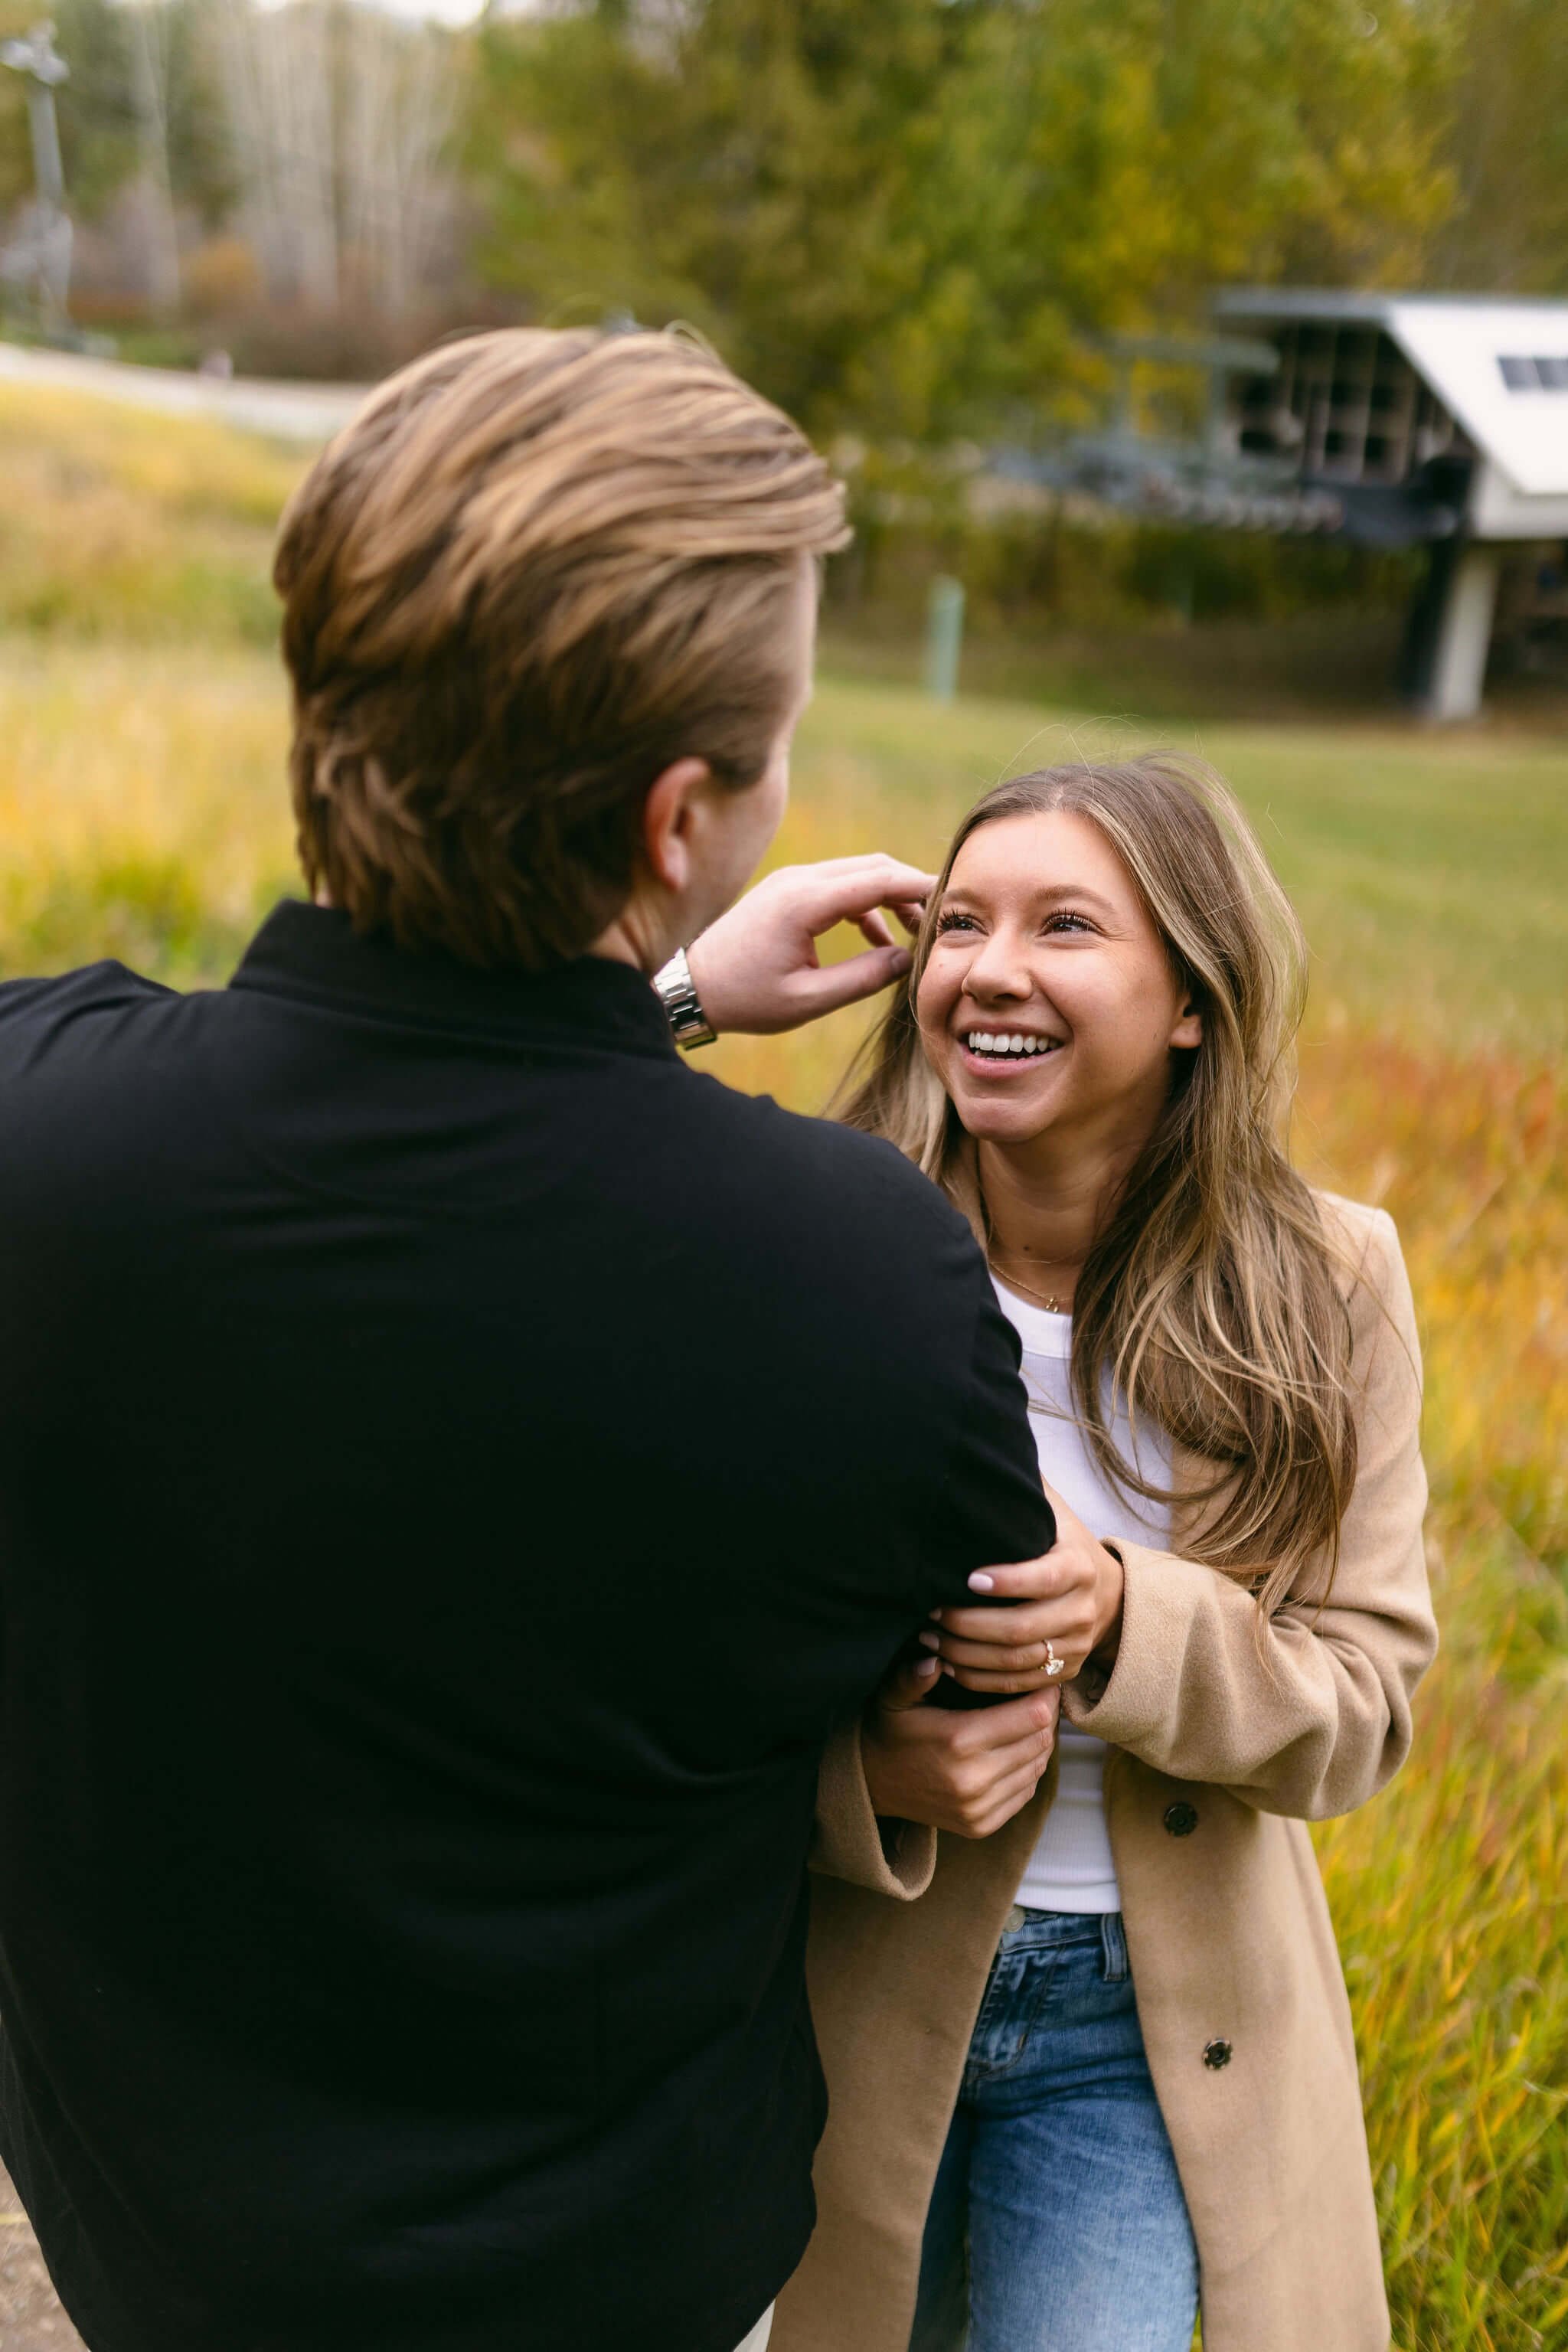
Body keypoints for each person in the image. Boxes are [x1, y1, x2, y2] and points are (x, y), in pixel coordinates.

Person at [0, 328, 1060, 2352]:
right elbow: (949, 1698)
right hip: (615, 2289)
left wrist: (644, 997)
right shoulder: (865, 1283)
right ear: (680, 821)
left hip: (154, 2261)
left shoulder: (35, 1129)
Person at [762, 757, 1436, 2352]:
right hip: (834, 2001)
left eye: (1066, 925)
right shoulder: (816, 1246)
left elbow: (1363, 1709)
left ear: (1192, 999)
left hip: (1146, 2040)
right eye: (959, 923)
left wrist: (1126, 1621)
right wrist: (864, 1770)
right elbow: (655, 1668)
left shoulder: (1328, 1284)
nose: (992, 968)